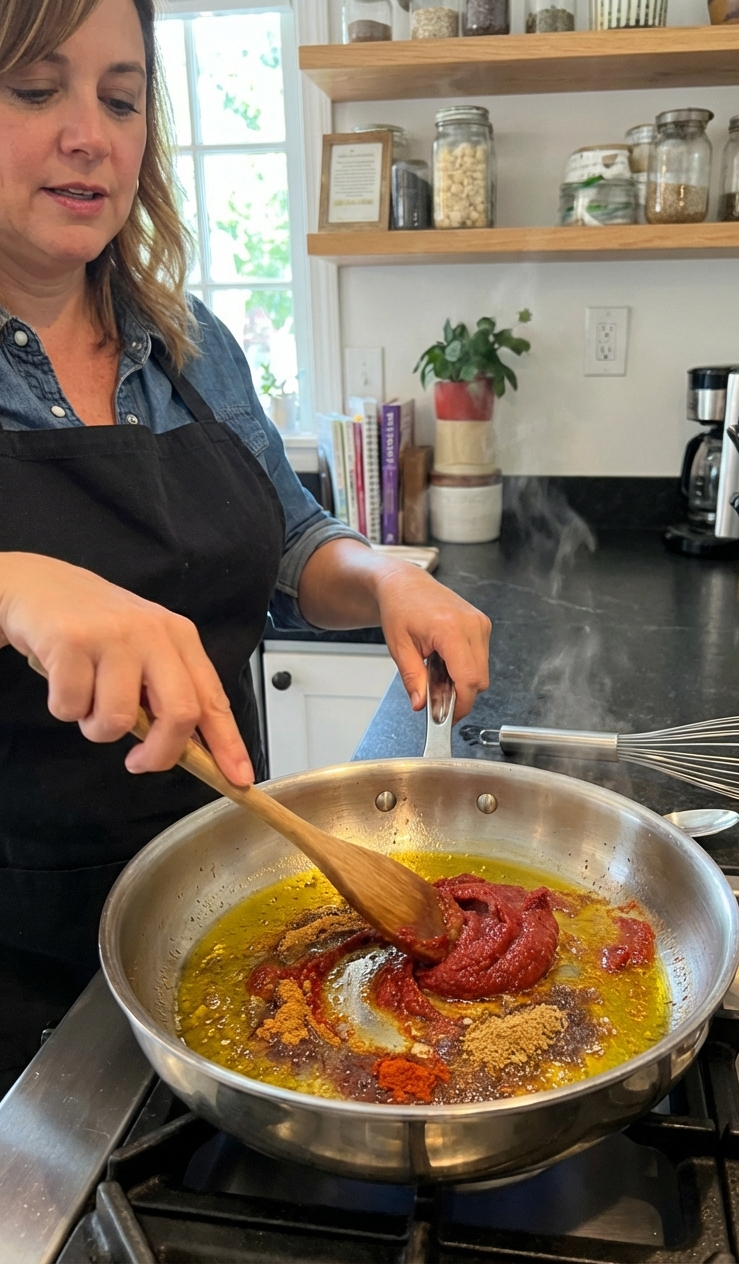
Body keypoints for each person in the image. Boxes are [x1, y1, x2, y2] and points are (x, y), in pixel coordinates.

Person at [0, 0, 490, 1095]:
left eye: (121, 99)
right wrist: (15, 581)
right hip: (18, 962)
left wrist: (378, 577)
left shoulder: (186, 341)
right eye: (36, 89)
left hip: (221, 890)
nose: (92, 133)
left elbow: (290, 540)